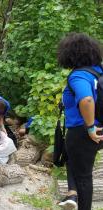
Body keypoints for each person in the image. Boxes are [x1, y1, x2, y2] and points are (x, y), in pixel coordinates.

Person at [58, 32, 103, 210]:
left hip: (82, 131)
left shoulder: (78, 76)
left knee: (83, 177)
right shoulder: (98, 71)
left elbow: (87, 100)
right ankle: (72, 195)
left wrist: (90, 127)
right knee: (73, 161)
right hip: (99, 127)